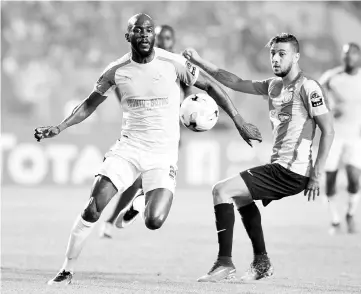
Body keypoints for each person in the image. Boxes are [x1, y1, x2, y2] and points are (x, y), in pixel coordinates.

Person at [34, 13, 262, 285]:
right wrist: (59, 127)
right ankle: (66, 270)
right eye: (138, 30)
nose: (144, 34)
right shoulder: (116, 70)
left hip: (162, 155)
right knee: (93, 208)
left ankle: (139, 202)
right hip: (127, 149)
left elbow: (211, 86)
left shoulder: (173, 63)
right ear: (128, 36)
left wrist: (239, 122)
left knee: (154, 221)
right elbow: (88, 104)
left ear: (154, 35)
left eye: (148, 30)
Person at [182, 33, 334, 282]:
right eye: (273, 53)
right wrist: (199, 61)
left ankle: (224, 263)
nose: (275, 58)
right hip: (281, 168)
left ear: (296, 57)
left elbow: (329, 130)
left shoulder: (309, 88)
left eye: (282, 53)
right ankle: (261, 262)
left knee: (221, 191)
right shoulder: (273, 86)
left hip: (292, 170)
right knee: (241, 198)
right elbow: (234, 81)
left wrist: (317, 174)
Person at [99, 24, 193, 238]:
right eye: (160, 37)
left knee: (143, 181)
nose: (164, 42)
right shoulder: (142, 63)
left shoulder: (177, 65)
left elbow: (187, 98)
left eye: (168, 38)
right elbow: (121, 89)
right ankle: (126, 211)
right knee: (136, 181)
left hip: (168, 135)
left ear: (173, 41)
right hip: (141, 133)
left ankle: (120, 215)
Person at [319, 43, 361, 234]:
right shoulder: (331, 77)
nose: (348, 58)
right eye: (345, 54)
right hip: (334, 136)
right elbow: (315, 96)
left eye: (352, 54)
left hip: (355, 136)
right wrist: (328, 109)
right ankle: (334, 220)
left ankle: (351, 213)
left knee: (354, 179)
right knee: (330, 179)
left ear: (358, 57)